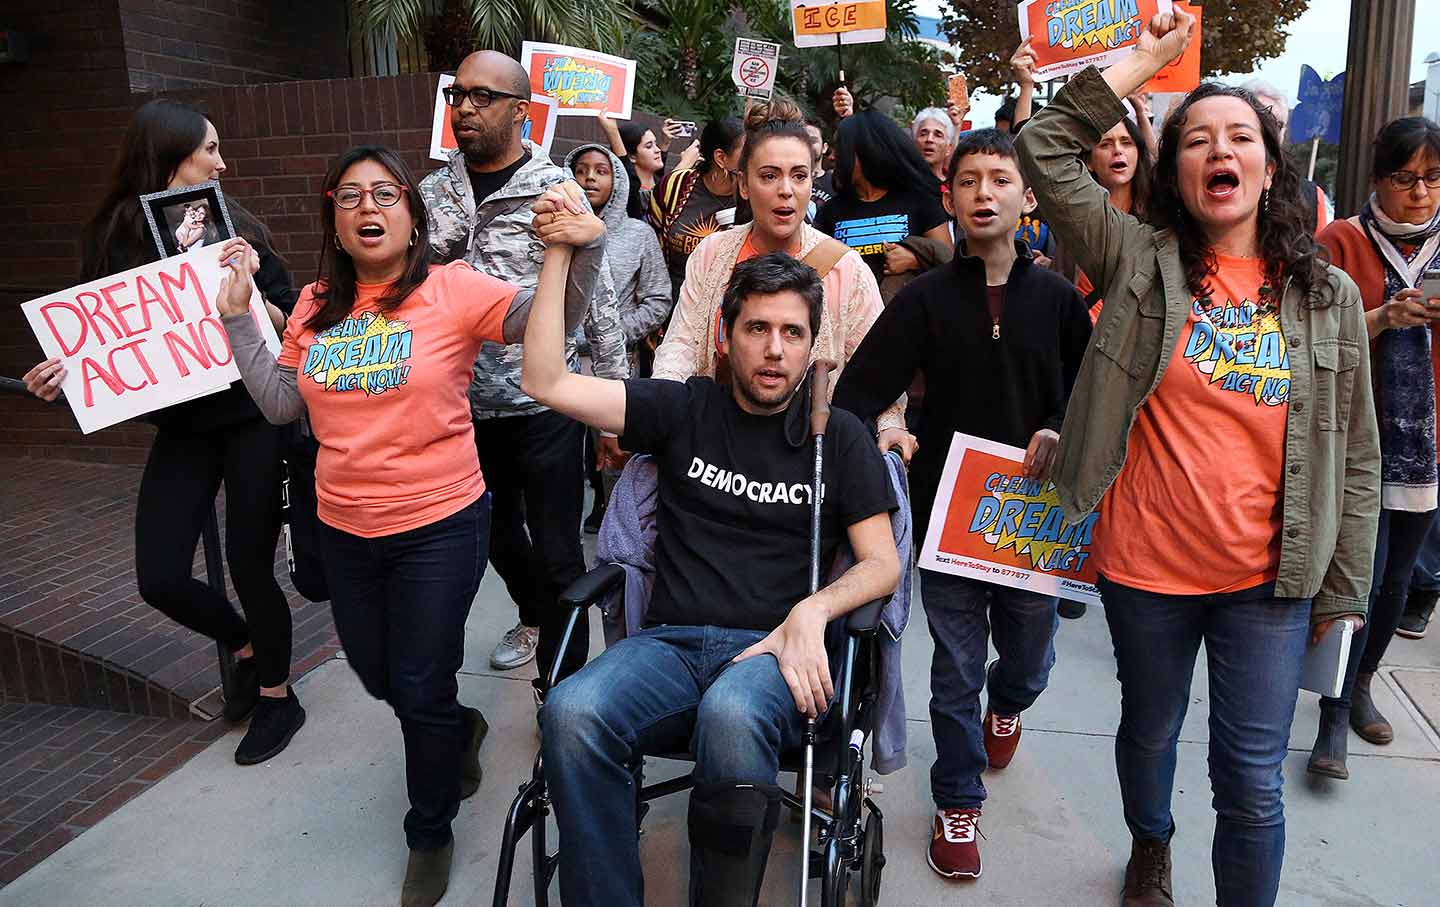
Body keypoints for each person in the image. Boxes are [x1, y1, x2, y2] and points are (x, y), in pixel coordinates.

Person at [1017, 9, 1380, 905]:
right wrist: (1143, 61)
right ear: (1176, 170)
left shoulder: (1326, 294)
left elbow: (1360, 457)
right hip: (1147, 570)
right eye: (1198, 140)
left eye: (1241, 136)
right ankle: (1151, 843)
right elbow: (1043, 149)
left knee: (1253, 781)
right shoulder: (1136, 257)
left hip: (1270, 578)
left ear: (1267, 165)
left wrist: (1343, 588)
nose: (1221, 151)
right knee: (1147, 729)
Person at [216, 145, 603, 907]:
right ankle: (456, 731)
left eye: (385, 193)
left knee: (420, 679)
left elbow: (548, 325)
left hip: (441, 523)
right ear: (332, 213)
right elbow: (281, 404)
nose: (368, 207)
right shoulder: (317, 304)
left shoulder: (453, 288)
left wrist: (573, 252)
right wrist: (238, 321)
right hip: (343, 529)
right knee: (377, 673)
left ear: (412, 214)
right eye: (351, 195)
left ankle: (429, 827)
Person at [519, 219, 901, 904]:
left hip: (770, 657)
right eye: (757, 328)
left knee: (729, 711)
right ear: (726, 335)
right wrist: (556, 252)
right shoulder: (685, 409)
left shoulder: (835, 437)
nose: (774, 349)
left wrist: (811, 612)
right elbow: (545, 379)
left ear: (815, 345)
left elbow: (882, 564)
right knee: (572, 710)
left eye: (792, 333)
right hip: (669, 644)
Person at [835, 128, 1091, 882]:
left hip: (1034, 521)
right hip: (948, 516)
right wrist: (879, 436)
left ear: (1027, 198)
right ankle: (958, 801)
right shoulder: (923, 300)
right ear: (950, 197)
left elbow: (1095, 394)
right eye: (969, 180)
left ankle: (1009, 706)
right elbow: (860, 388)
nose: (984, 193)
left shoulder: (1058, 301)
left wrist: (1061, 427)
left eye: (1000, 180)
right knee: (955, 670)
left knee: (1030, 659)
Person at [23, 98, 303, 767]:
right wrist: (62, 374)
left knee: (247, 562)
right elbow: (97, 337)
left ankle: (276, 694)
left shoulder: (237, 227)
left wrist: (257, 291)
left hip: (252, 416)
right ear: (172, 153)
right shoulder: (111, 239)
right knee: (160, 574)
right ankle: (245, 645)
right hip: (185, 426)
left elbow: (294, 315)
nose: (222, 161)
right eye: (209, 148)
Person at [419, 50, 628, 682]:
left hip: (544, 404)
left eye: (484, 97)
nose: (467, 108)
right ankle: (536, 614)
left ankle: (560, 690)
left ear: (522, 110)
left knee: (561, 553)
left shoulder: (556, 192)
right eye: (459, 95)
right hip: (460, 407)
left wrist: (615, 410)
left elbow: (599, 304)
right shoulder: (430, 194)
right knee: (495, 540)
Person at [650, 100, 912, 457]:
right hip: (717, 446)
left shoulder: (845, 269)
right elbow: (681, 344)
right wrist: (661, 404)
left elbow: (880, 366)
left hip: (807, 454)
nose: (786, 189)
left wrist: (892, 423)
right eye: (769, 175)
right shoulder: (712, 254)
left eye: (799, 176)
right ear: (743, 185)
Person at [1308, 116, 1440, 779]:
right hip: (1354, 442)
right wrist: (1382, 318)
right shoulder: (1339, 241)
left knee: (1397, 581)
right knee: (1355, 577)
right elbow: (1304, 336)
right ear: (1375, 180)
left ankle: (1362, 684)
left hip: (1428, 450)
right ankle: (1332, 711)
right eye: (1404, 177)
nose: (1420, 192)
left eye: (1433, 177)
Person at [566, 142, 672, 530]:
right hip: (559, 365)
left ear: (618, 180)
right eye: (581, 169)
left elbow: (659, 300)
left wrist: (611, 334)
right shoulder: (550, 231)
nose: (590, 177)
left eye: (601, 170)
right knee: (567, 458)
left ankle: (619, 527)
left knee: (614, 453)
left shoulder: (638, 236)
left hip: (616, 363)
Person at [814, 110, 953, 298]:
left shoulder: (920, 202)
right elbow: (815, 277)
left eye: (840, 148)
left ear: (865, 151)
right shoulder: (829, 213)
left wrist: (917, 260)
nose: (832, 156)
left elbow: (950, 264)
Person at [649, 117, 746, 303]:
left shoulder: (752, 197)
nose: (753, 158)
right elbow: (651, 244)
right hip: (669, 302)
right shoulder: (676, 185)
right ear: (721, 158)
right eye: (746, 153)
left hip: (724, 307)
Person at [1243, 78, 1334, 235]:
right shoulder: (1213, 185)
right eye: (1259, 120)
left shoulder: (1310, 197)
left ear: (1284, 133)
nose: (1268, 130)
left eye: (1276, 124)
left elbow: (1317, 255)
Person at [913, 107, 956, 182]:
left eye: (938, 135)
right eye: (923, 134)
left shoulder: (953, 188)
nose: (929, 139)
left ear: (948, 148)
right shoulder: (900, 181)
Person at [805, 118, 835, 220]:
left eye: (813, 140)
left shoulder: (835, 183)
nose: (807, 144)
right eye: (802, 140)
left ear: (824, 147)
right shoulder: (788, 180)